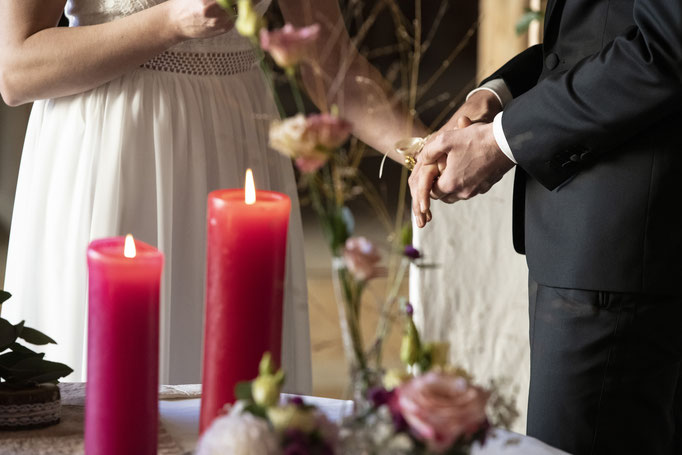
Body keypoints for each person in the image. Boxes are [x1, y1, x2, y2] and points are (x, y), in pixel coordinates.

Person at [0, 0, 421, 387]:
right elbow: (17, 67)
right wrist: (170, 22)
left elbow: (328, 59)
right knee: (118, 384)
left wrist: (429, 153)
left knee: (243, 393)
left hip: (238, 150)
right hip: (115, 154)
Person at [409, 1, 682, 454]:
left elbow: (665, 46)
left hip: (619, 250)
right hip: (605, 246)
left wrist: (503, 140)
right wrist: (497, 96)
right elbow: (600, 32)